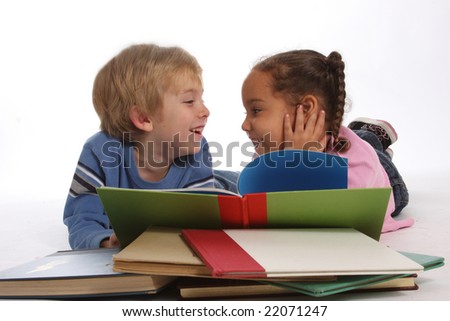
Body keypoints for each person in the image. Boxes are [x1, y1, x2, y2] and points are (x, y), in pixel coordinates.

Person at [63, 44, 237, 249]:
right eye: (190, 101)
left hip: (228, 185)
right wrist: (104, 242)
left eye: (202, 99)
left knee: (249, 185)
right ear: (144, 118)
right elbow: (81, 220)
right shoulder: (100, 152)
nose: (205, 111)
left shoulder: (197, 151)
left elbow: (200, 223)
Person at [240, 49, 413, 233]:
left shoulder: (357, 164)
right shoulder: (269, 150)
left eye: (256, 110)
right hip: (345, 141)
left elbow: (339, 222)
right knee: (361, 139)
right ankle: (365, 133)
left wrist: (300, 162)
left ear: (306, 108)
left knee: (374, 152)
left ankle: (373, 137)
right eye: (246, 112)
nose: (244, 125)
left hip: (383, 180)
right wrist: (284, 161)